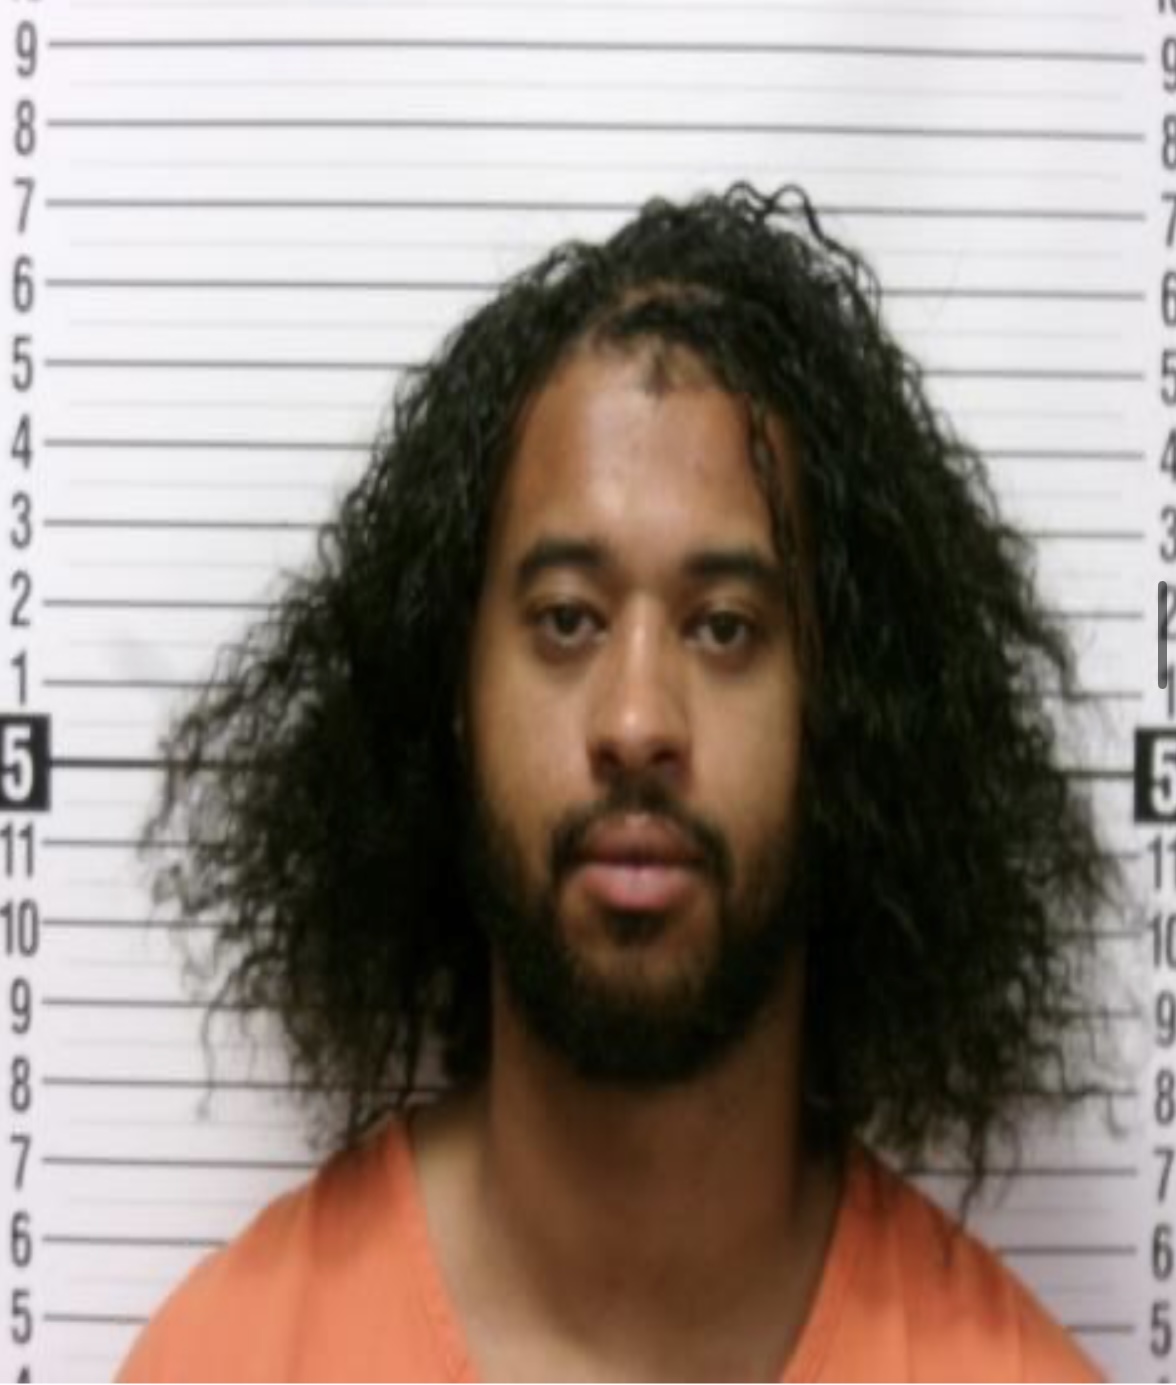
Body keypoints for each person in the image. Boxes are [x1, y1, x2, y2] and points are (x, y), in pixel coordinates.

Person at [117, 183, 1122, 1382]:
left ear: (844, 716)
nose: (638, 721)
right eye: (567, 618)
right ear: (454, 694)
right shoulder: (220, 1359)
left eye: (726, 626)